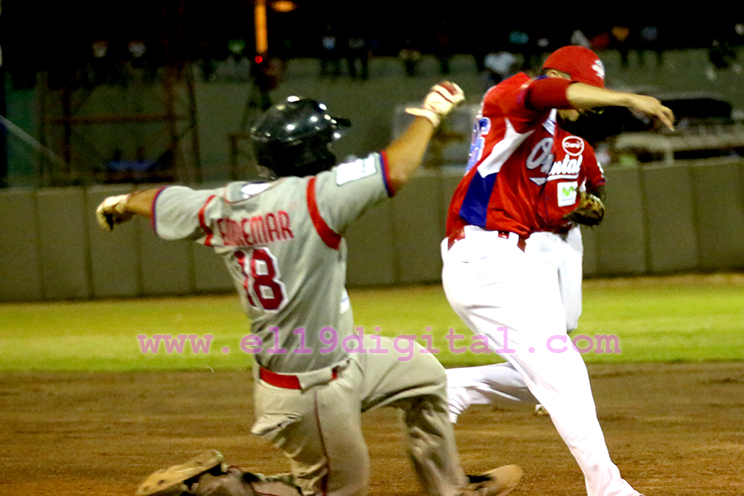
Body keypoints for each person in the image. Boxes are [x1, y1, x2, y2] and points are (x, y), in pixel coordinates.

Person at [96, 83, 523, 496]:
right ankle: (214, 486)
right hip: (309, 389)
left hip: (339, 359)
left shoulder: (222, 203)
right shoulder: (315, 197)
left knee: (424, 376)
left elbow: (165, 199)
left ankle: (452, 489)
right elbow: (396, 168)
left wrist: (123, 202)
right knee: (340, 490)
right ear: (314, 152)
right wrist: (430, 113)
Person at [440, 45, 674, 496]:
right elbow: (548, 90)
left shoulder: (551, 131)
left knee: (545, 376)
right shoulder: (511, 96)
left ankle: (449, 389)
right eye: (584, 93)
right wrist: (627, 98)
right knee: (562, 370)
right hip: (485, 253)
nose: (585, 106)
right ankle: (608, 489)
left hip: (508, 255)